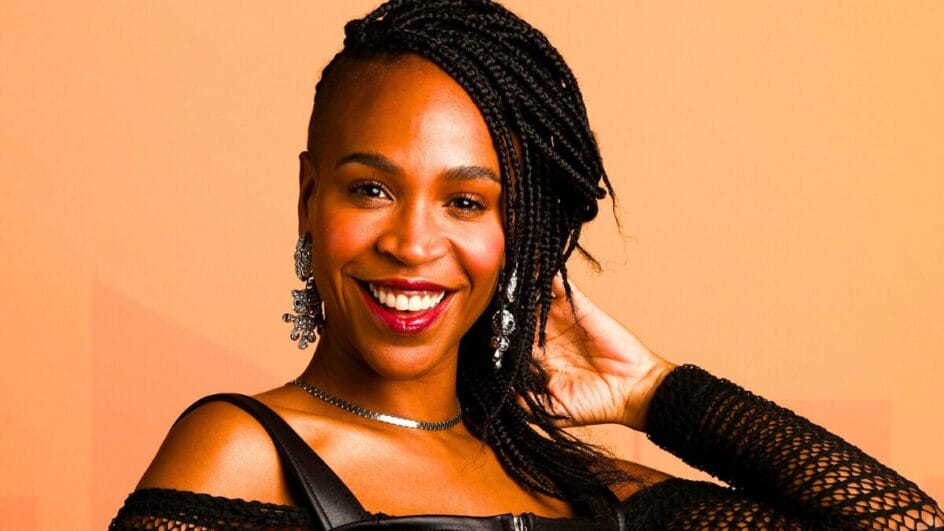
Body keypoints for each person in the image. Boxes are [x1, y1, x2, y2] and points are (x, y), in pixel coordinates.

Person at [110, 1, 943, 529]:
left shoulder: (567, 479)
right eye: (371, 189)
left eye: (466, 201)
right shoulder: (244, 452)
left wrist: (658, 392)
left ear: (520, 231)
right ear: (308, 196)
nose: (412, 242)